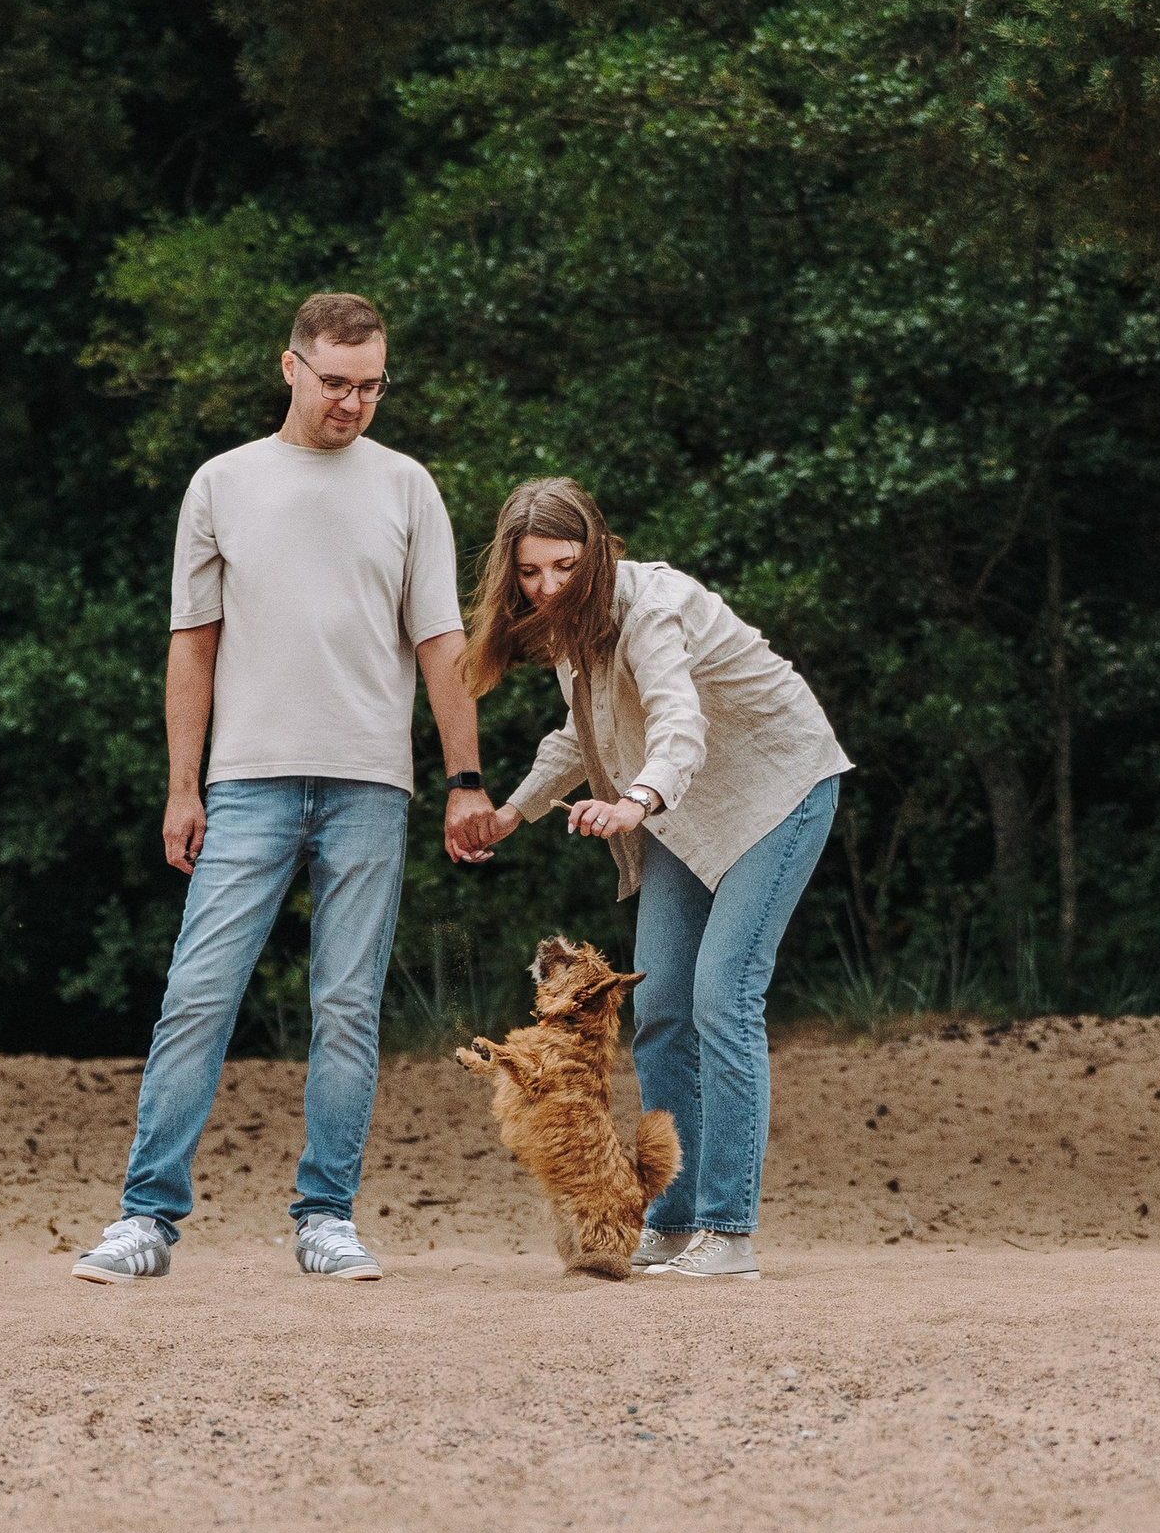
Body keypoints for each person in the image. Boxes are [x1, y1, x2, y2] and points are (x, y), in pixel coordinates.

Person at [73, 294, 500, 1284]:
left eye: (372, 385)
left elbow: (442, 646)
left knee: (346, 1006)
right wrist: (183, 787)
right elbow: (192, 644)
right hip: (247, 783)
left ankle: (326, 1216)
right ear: (290, 368)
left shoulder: (407, 487)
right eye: (337, 382)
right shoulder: (223, 484)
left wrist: (463, 781)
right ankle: (145, 1219)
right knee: (197, 996)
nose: (355, 402)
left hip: (369, 783)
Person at [466, 477, 847, 1281]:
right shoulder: (572, 627)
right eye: (530, 573)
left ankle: (729, 1230)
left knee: (723, 996)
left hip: (775, 790)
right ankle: (671, 1223)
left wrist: (635, 799)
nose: (546, 588)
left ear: (598, 551)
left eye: (564, 566)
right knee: (662, 1007)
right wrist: (510, 813)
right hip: (679, 806)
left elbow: (677, 718)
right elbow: (581, 734)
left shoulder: (654, 607)